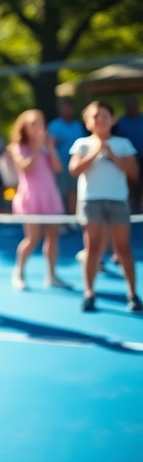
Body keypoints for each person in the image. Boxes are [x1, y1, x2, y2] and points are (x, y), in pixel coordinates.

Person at [70, 101, 140, 312]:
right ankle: (89, 293)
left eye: (104, 116)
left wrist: (112, 155)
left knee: (123, 248)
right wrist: (95, 152)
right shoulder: (82, 144)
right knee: (92, 248)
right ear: (88, 121)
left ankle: (133, 294)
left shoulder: (123, 144)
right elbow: (74, 169)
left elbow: (134, 173)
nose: (100, 120)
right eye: (95, 116)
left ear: (113, 119)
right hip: (91, 201)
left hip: (117, 200)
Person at [7, 109, 69, 290]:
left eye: (40, 123)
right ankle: (19, 271)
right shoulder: (18, 148)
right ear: (24, 128)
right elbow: (26, 168)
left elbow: (58, 168)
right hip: (31, 198)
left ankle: (52, 275)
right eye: (33, 124)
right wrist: (35, 149)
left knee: (53, 236)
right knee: (33, 237)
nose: (38, 127)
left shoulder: (46, 147)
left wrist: (49, 148)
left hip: (49, 196)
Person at [47, 99, 87, 215]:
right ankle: (62, 216)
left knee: (75, 190)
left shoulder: (78, 126)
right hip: (61, 164)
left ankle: (73, 217)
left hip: (77, 163)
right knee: (62, 190)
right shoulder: (54, 125)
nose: (67, 110)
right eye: (64, 108)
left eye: (69, 107)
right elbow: (49, 144)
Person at [112, 95, 143, 212]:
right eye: (129, 105)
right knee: (129, 182)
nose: (132, 108)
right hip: (127, 159)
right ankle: (128, 207)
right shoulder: (121, 122)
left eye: (133, 105)